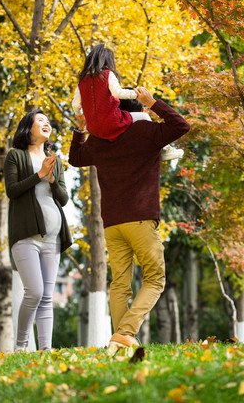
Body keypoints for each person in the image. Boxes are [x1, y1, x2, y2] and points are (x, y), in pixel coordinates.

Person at [68, 87, 191, 350]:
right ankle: (125, 332)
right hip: (141, 219)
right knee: (155, 278)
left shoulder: (101, 139)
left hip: (112, 223)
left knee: (120, 284)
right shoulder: (146, 132)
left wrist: (80, 129)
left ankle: (119, 344)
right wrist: (154, 103)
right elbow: (182, 126)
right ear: (140, 111)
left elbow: (76, 158)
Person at [4, 109, 72, 352]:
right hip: (25, 236)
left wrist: (52, 179)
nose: (47, 123)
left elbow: (63, 199)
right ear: (28, 127)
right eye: (40, 120)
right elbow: (12, 190)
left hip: (53, 237)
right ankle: (21, 346)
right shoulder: (15, 155)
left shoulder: (56, 160)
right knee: (34, 291)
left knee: (46, 298)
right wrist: (39, 174)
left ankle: (45, 350)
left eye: (48, 121)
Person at [72, 43, 184, 160]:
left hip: (93, 129)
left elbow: (75, 104)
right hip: (110, 122)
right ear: (108, 61)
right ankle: (165, 149)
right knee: (143, 117)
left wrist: (80, 115)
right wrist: (136, 94)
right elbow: (118, 93)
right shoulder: (107, 74)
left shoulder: (82, 82)